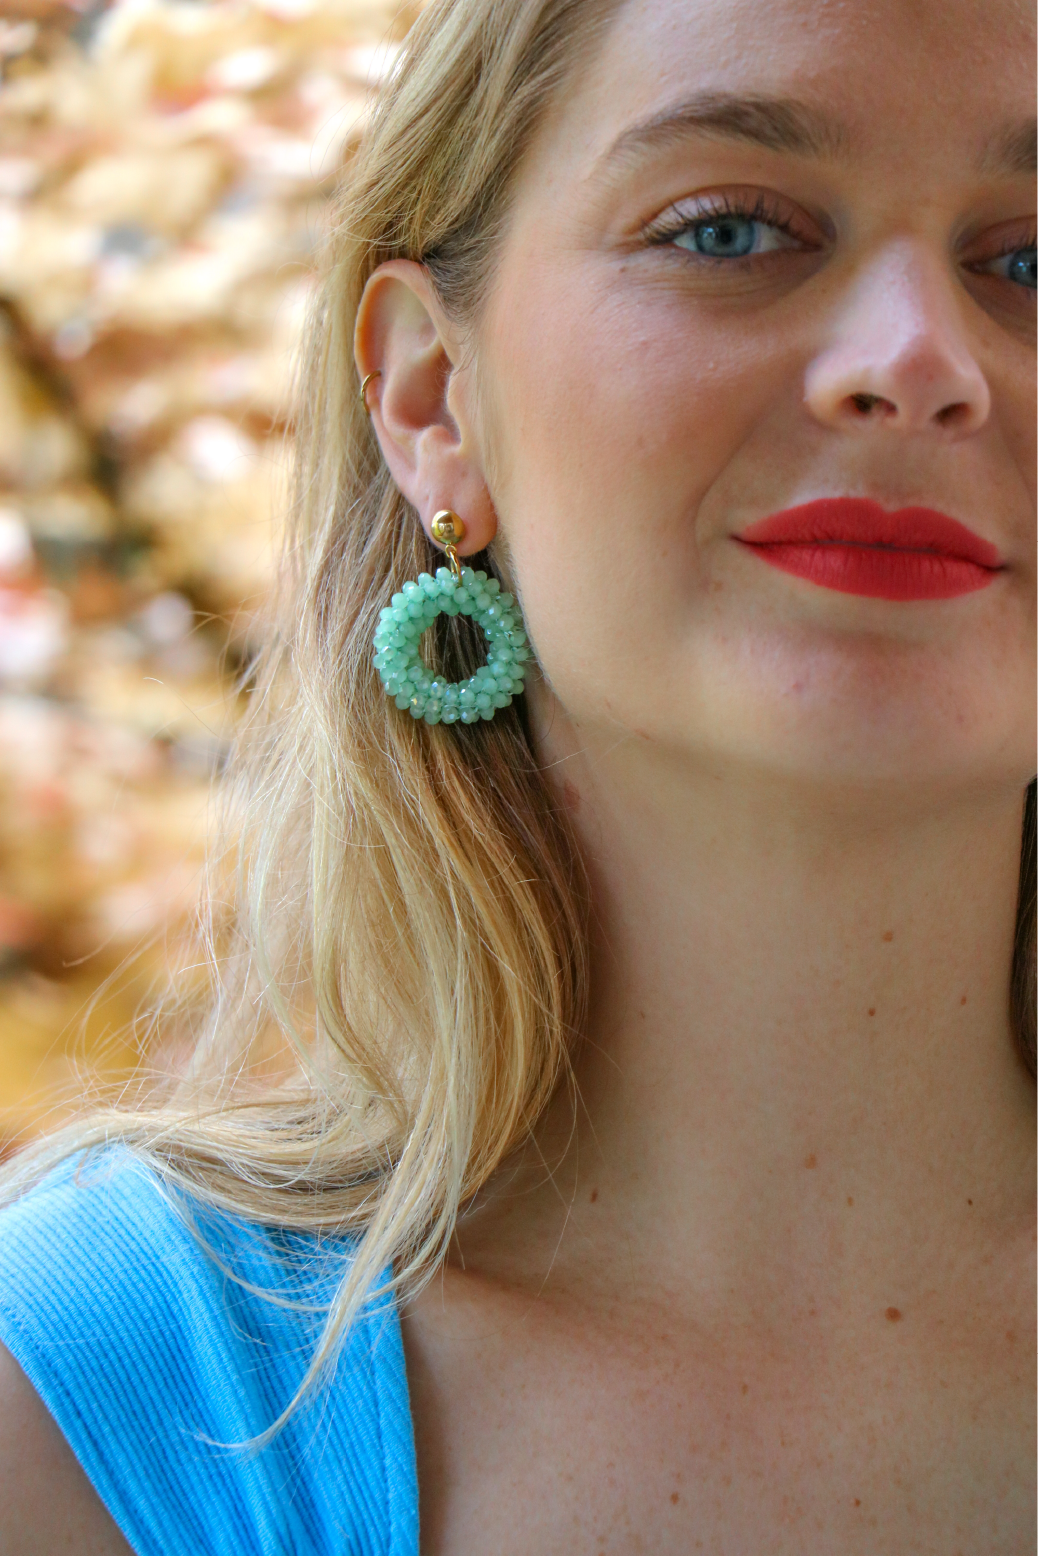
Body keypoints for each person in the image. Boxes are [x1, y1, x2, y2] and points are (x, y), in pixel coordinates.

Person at [6, 0, 1038, 1547]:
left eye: (1031, 264)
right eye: (729, 231)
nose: (917, 362)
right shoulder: (91, 1401)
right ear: (431, 398)